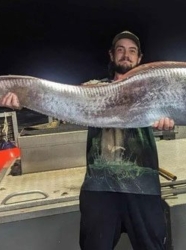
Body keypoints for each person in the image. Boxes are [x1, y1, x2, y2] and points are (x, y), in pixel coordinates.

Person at [0, 30, 174, 250]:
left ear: (140, 58)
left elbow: (177, 111)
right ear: (111, 55)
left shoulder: (155, 91)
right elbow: (59, 100)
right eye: (120, 50)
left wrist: (168, 120)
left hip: (143, 187)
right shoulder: (92, 88)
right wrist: (23, 100)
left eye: (132, 51)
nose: (126, 55)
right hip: (99, 188)